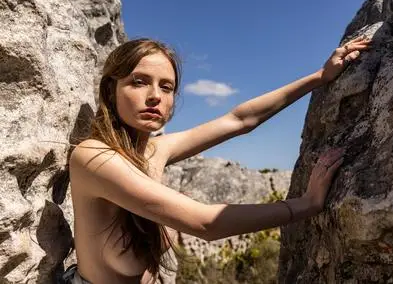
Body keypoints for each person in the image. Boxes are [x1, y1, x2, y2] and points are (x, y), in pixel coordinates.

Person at [63, 36, 370, 284]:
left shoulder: (155, 151)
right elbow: (205, 222)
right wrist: (307, 204)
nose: (155, 95)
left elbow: (239, 120)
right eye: (139, 81)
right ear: (110, 90)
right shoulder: (93, 157)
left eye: (166, 86)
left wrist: (320, 76)